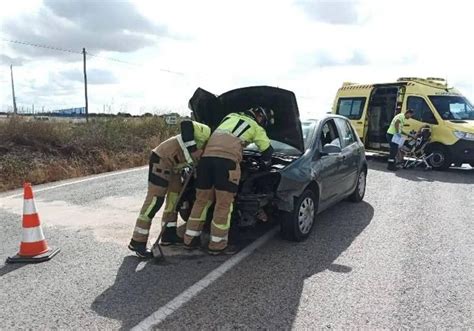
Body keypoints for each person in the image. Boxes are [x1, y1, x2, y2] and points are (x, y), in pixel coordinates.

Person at [183, 106, 274, 255]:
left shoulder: (229, 116)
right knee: (223, 204)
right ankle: (217, 245)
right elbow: (267, 150)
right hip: (226, 164)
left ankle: (190, 240)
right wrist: (265, 163)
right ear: (260, 116)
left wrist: (194, 151)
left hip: (205, 162)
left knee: (201, 201)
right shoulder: (256, 127)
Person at [128, 120, 211, 258]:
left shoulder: (212, 148)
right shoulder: (206, 131)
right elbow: (186, 124)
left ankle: (169, 233)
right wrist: (194, 150)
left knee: (174, 199)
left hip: (175, 168)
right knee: (155, 201)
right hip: (162, 160)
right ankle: (137, 241)